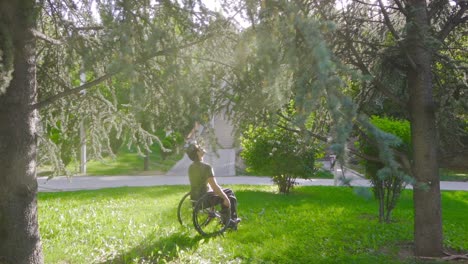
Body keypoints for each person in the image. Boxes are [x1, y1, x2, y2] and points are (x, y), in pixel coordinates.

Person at [186, 142, 241, 229]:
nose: (201, 147)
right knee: (229, 194)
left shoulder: (191, 167)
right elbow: (214, 187)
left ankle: (226, 219)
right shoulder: (206, 167)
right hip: (205, 199)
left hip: (195, 199)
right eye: (199, 147)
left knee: (222, 191)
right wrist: (225, 199)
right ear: (197, 152)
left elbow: (201, 184)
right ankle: (230, 222)